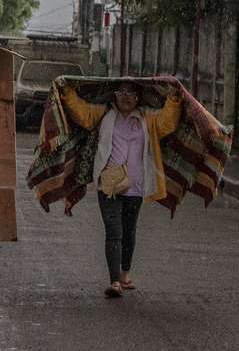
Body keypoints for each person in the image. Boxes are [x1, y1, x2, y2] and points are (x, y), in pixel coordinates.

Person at [58, 79, 182, 298]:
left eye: (130, 92)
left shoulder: (148, 118)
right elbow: (82, 114)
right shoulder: (105, 114)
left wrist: (173, 98)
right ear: (114, 96)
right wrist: (66, 91)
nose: (125, 96)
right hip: (108, 186)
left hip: (136, 186)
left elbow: (168, 123)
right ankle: (114, 281)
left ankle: (125, 274)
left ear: (138, 96)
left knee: (128, 231)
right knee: (114, 231)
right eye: (120, 92)